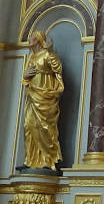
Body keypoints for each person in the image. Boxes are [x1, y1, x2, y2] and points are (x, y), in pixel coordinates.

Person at [22, 31, 64, 171]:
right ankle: (31, 159)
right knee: (29, 125)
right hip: (32, 95)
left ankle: (48, 159)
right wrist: (25, 75)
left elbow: (57, 68)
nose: (30, 39)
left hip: (45, 95)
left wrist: (51, 53)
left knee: (44, 127)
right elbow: (26, 76)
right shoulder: (32, 56)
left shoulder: (46, 55)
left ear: (39, 40)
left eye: (33, 37)